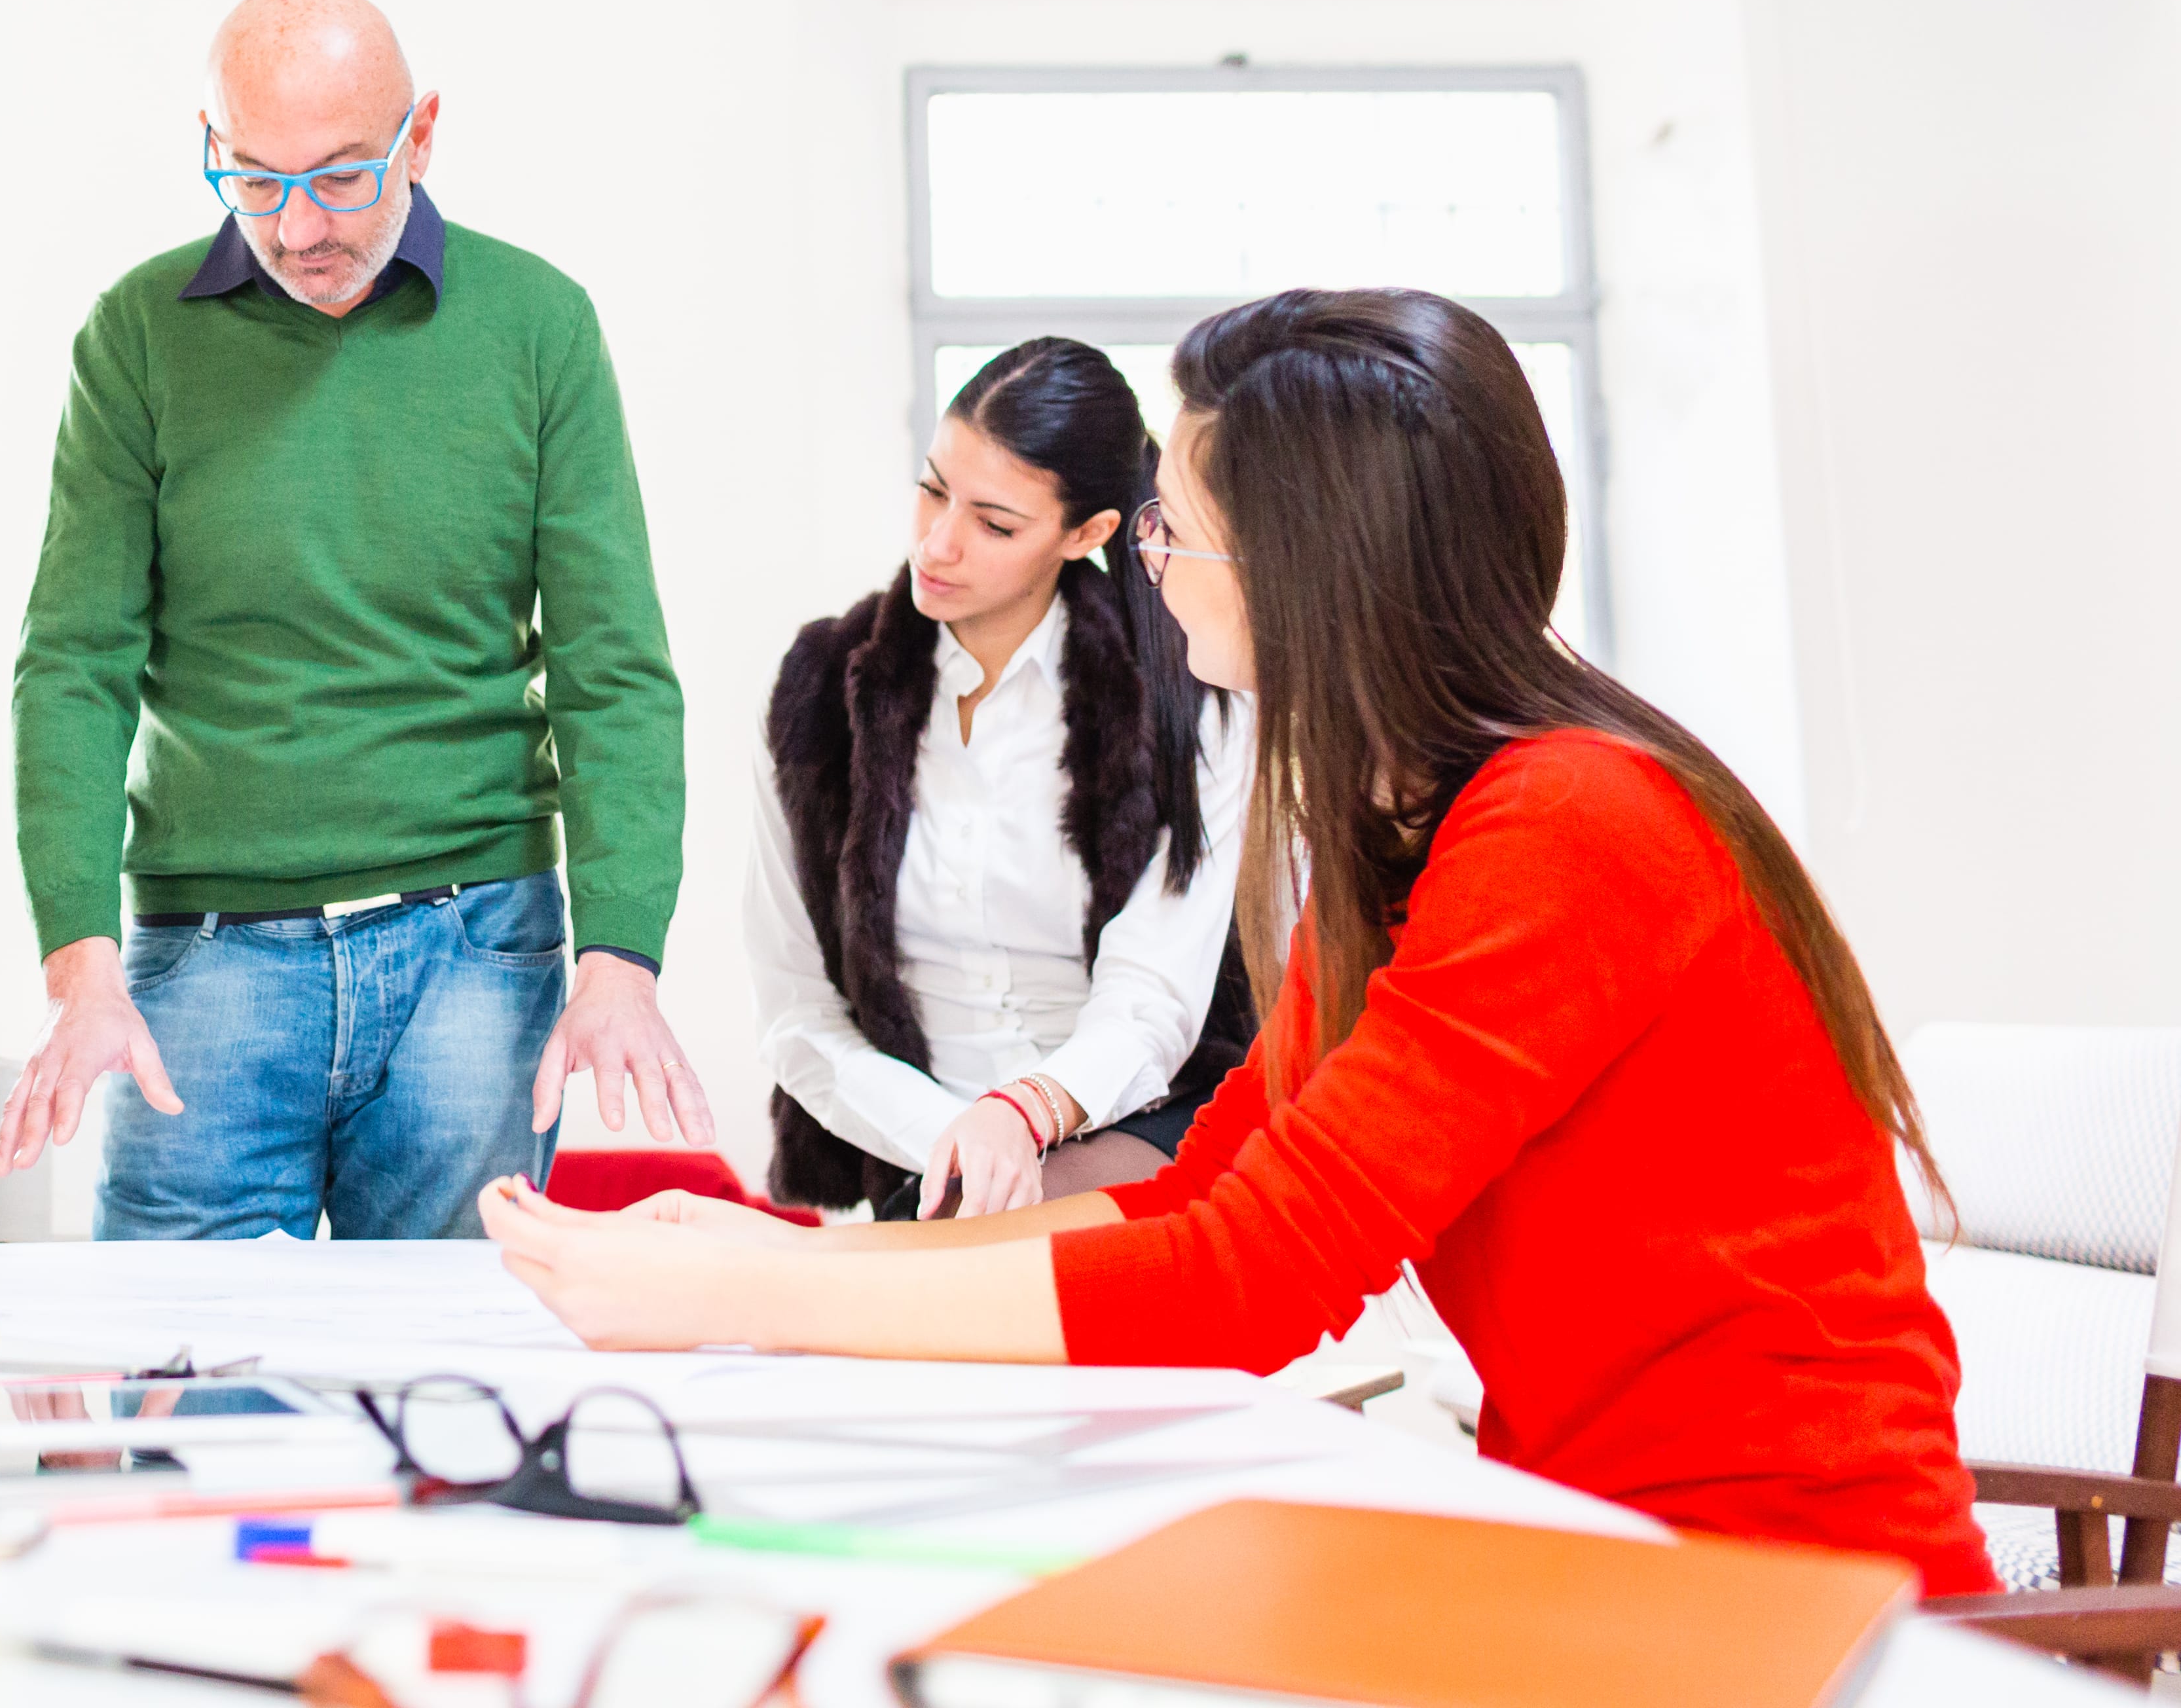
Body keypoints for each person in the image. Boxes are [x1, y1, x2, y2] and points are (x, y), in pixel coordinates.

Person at [483, 288, 1990, 1593]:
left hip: (1780, 1593)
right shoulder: (1411, 834)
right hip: (1580, 1537)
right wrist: (794, 1253)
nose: (1145, 559)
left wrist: (760, 1299)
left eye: (1174, 528)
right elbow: (1192, 1201)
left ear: (1312, 573)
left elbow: (1253, 1283)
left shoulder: (1572, 826)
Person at [0, 0, 703, 1241]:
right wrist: (80, 961)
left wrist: (622, 954)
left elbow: (614, 667)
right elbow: (73, 664)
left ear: (420, 138)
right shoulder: (138, 334)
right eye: (254, 180)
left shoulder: (539, 325)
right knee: (176, 1383)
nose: (297, 225)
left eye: (339, 178)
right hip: (207, 949)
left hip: (475, 944)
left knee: (445, 1388)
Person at [750, 339, 1253, 1222]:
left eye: (995, 523)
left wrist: (1019, 1121)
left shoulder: (1189, 697)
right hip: (914, 1166)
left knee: (1015, 1252)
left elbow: (1152, 1002)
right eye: (934, 489)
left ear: (1089, 534)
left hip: (1128, 1130)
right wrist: (959, 1142)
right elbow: (799, 1017)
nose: (938, 545)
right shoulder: (817, 692)